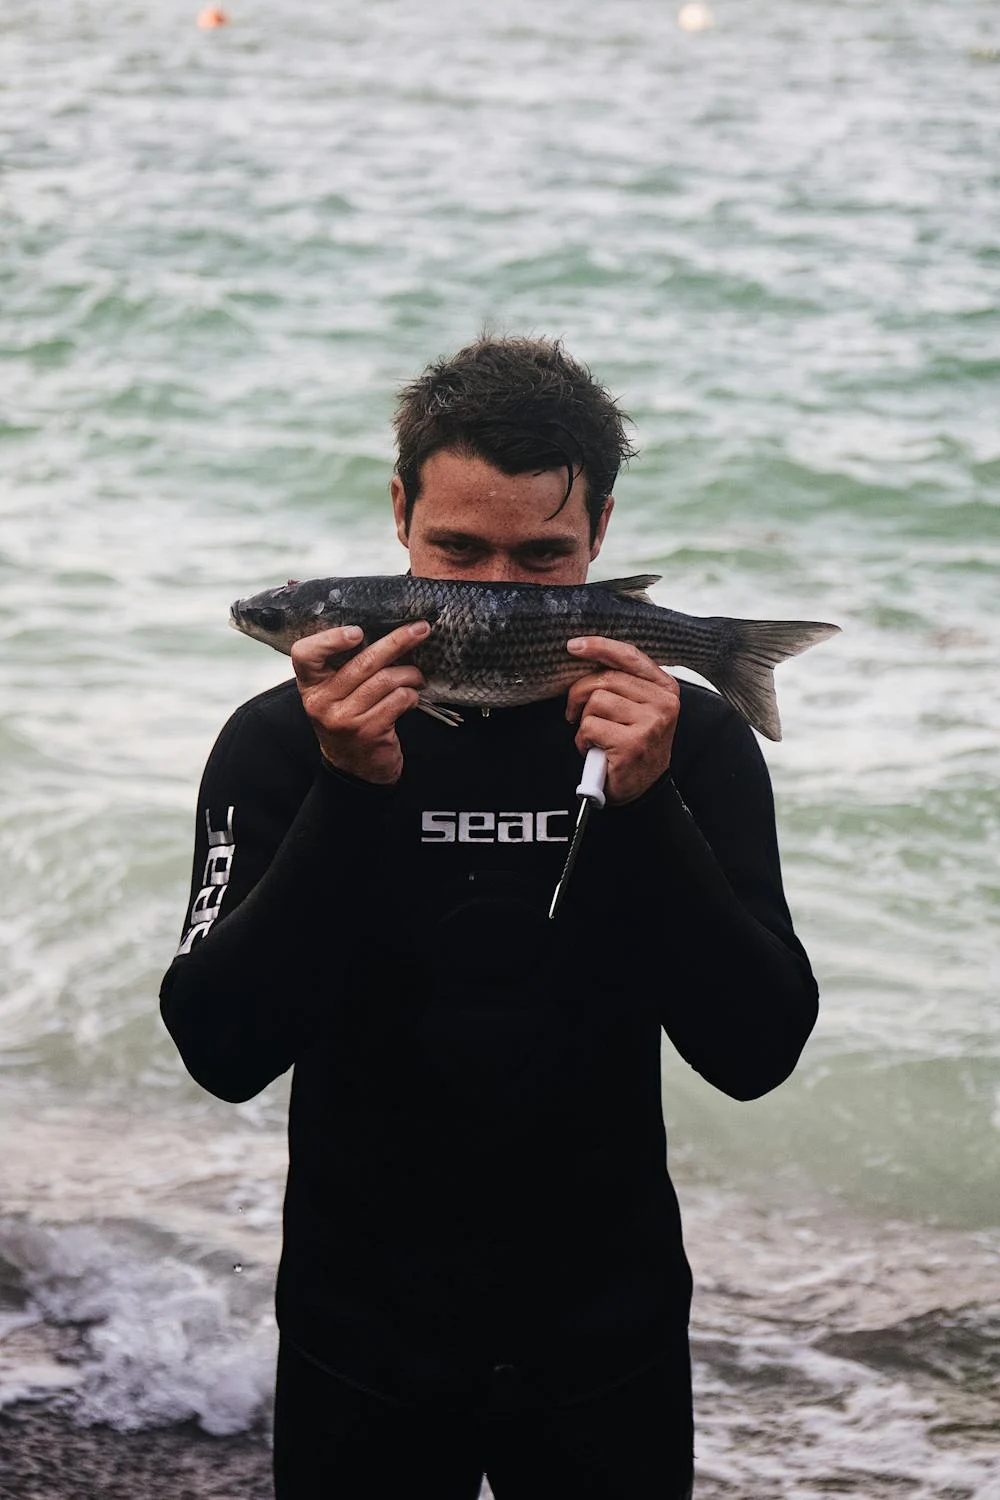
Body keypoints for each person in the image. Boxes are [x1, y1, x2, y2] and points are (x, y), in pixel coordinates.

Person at [160, 335, 819, 1498]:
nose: (496, 595)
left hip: (604, 1336)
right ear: (399, 511)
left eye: (543, 559)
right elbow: (221, 1049)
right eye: (458, 551)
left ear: (600, 533)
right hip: (357, 1332)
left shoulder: (689, 740)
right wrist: (346, 793)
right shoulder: (280, 743)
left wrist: (646, 806)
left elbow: (755, 1051)